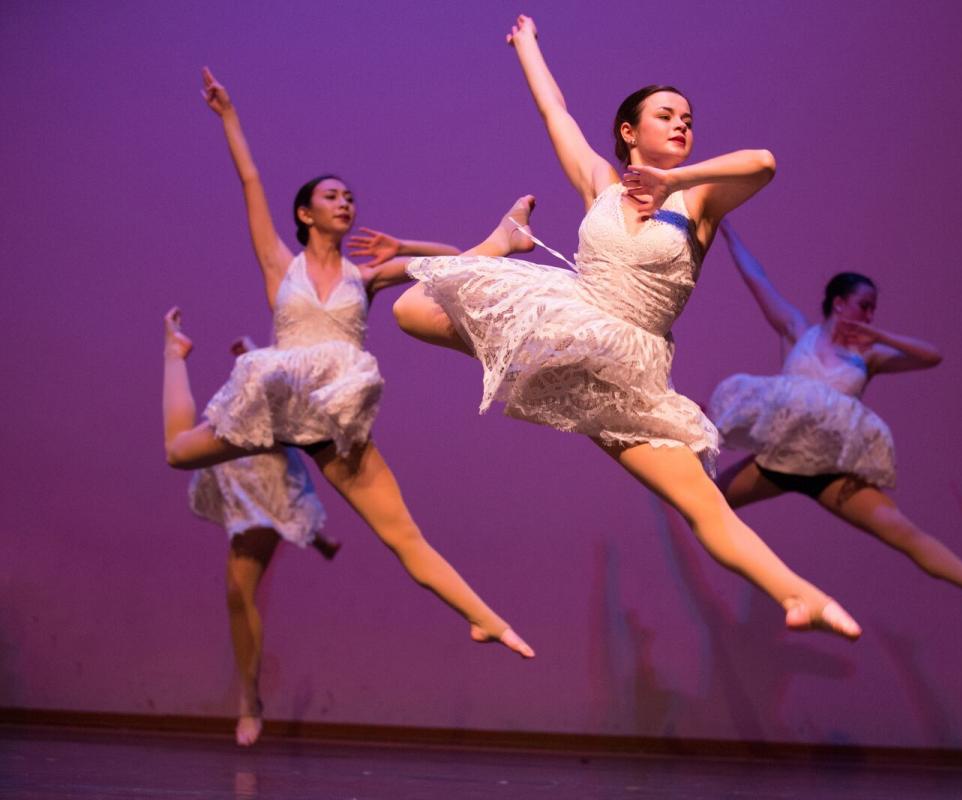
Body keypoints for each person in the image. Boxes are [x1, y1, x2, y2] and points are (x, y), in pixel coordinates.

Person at [377, 16, 861, 639]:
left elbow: (763, 164)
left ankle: (800, 596)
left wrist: (675, 179)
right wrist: (527, 46)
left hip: (628, 372)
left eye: (688, 118)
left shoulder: (697, 201)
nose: (682, 124)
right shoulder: (600, 186)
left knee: (702, 504)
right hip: (568, 321)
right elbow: (555, 112)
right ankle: (502, 240)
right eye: (666, 115)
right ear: (630, 133)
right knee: (411, 308)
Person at [162, 68, 536, 663]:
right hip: (273, 404)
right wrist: (228, 114)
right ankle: (173, 353)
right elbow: (250, 179)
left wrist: (404, 246)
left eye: (349, 197)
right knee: (178, 451)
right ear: (306, 213)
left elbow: (451, 264)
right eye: (331, 196)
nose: (345, 203)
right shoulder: (279, 264)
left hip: (331, 420)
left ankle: (488, 621)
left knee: (402, 535)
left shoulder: (366, 276)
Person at [708, 223, 962, 620]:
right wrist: (728, 232)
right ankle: (781, 587)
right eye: (864, 305)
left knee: (904, 533)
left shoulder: (867, 357)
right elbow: (757, 279)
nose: (869, 314)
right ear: (839, 303)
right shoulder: (797, 332)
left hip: (831, 473)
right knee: (704, 501)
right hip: (776, 463)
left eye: (874, 308)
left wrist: (881, 337)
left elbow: (931, 356)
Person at [188, 335, 340, 746]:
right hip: (238, 484)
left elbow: (291, 418)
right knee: (237, 594)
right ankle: (316, 537)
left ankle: (248, 701)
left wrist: (255, 354)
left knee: (238, 591)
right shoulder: (235, 400)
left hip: (268, 491)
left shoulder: (283, 393)